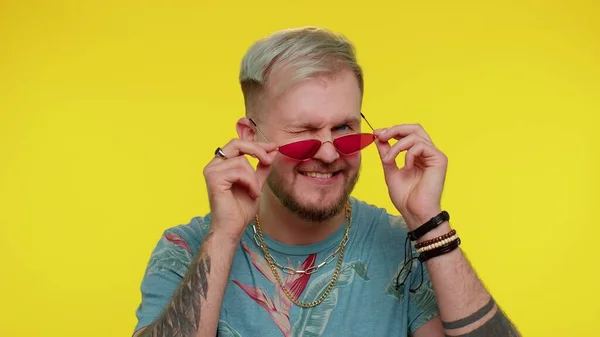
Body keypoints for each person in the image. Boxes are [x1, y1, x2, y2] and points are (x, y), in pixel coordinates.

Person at [132, 26, 520, 337]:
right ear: (251, 138)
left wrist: (429, 221)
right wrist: (224, 236)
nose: (330, 154)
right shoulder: (185, 249)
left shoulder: (406, 247)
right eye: (304, 133)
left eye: (345, 129)